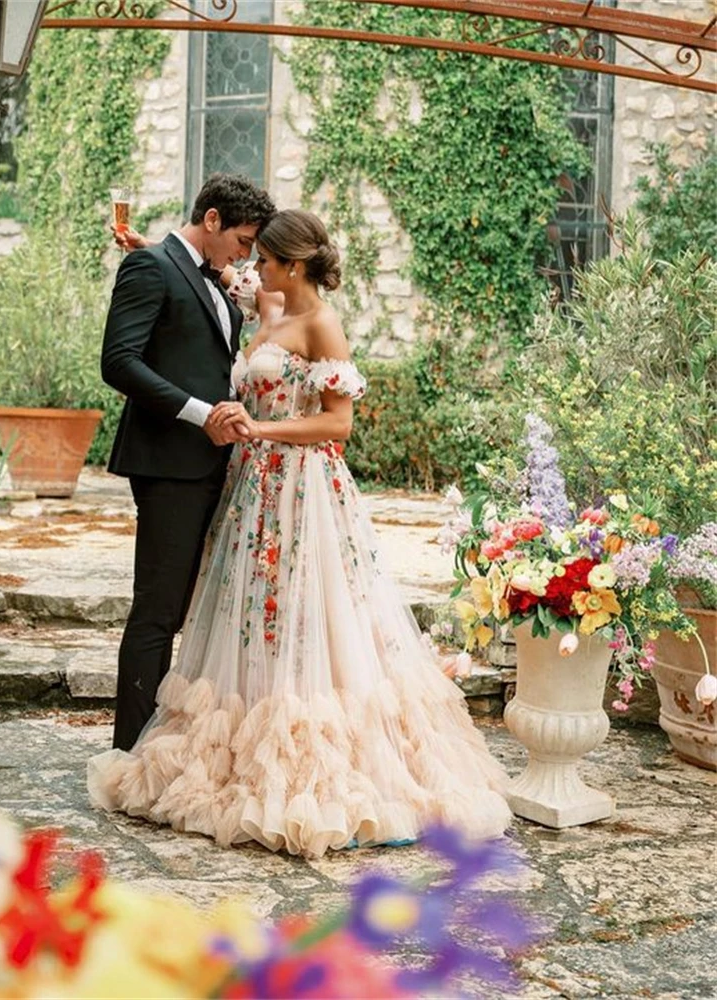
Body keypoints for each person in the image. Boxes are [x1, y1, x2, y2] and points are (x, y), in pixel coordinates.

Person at [89, 209, 511, 857]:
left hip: (303, 489)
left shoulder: (320, 324)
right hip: (252, 490)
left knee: (308, 613)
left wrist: (261, 429)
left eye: (264, 259)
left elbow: (337, 426)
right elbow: (208, 271)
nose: (252, 267)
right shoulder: (269, 304)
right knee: (254, 612)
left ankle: (321, 751)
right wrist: (152, 248)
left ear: (291, 263)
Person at [101, 173, 277, 753]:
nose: (245, 256)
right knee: (157, 609)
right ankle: (131, 749)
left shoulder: (207, 274)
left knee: (179, 609)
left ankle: (157, 734)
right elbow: (118, 362)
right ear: (211, 221)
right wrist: (200, 413)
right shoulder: (150, 267)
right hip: (169, 462)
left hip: (210, 465)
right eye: (243, 241)